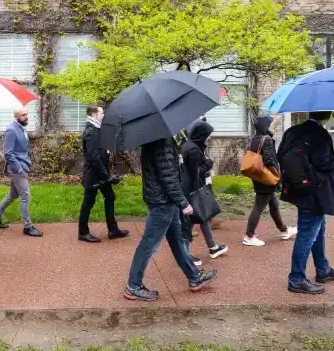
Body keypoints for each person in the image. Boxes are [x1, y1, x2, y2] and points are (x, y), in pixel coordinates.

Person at [124, 136, 218, 302]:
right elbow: (168, 178)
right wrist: (183, 202)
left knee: (177, 240)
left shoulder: (154, 138)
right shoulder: (163, 141)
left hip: (165, 200)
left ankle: (194, 276)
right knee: (149, 244)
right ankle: (133, 286)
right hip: (163, 202)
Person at [277, 111, 334, 295]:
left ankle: (322, 269)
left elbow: (280, 156)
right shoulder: (321, 135)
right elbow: (324, 163)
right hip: (316, 192)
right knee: (307, 233)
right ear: (330, 115)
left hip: (298, 189)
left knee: (318, 228)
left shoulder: (292, 131)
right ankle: (297, 279)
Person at [78, 105, 129, 242]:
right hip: (94, 175)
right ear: (94, 115)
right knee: (88, 202)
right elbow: (92, 158)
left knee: (110, 197)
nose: (103, 115)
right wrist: (107, 177)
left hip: (100, 174)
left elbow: (100, 153)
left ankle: (113, 230)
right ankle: (83, 232)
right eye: (101, 113)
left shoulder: (95, 129)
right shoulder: (91, 131)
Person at [243, 115, 297, 247]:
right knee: (259, 207)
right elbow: (269, 160)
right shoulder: (266, 140)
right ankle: (249, 236)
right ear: (264, 126)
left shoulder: (254, 138)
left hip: (258, 175)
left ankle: (284, 230)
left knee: (273, 205)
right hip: (267, 177)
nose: (270, 126)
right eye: (268, 124)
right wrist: (277, 175)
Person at [0, 108, 42, 237]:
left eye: (27, 114)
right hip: (17, 169)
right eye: (23, 115)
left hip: (23, 165)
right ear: (16, 116)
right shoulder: (11, 130)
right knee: (26, 195)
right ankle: (28, 227)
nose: (26, 117)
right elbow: (8, 153)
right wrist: (19, 168)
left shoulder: (21, 127)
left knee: (13, 194)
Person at [180, 121, 227, 259]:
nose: (209, 138)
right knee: (189, 222)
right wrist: (208, 164)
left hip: (190, 188)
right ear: (201, 135)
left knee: (203, 217)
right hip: (192, 190)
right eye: (207, 135)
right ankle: (185, 254)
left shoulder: (189, 145)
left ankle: (213, 247)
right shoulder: (193, 149)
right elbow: (197, 172)